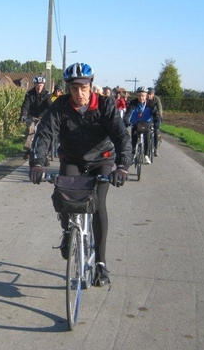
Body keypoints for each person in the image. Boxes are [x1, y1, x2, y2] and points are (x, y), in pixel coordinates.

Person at [28, 63, 132, 287]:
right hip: (72, 158)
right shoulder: (61, 107)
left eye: (83, 88)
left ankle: (101, 265)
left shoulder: (105, 105)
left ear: (91, 86)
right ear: (68, 89)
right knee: (65, 197)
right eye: (74, 89)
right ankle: (68, 232)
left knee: (98, 205)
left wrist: (122, 167)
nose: (79, 93)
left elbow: (121, 135)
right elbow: (44, 134)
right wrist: (37, 163)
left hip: (102, 159)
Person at [124, 86, 161, 164]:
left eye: (143, 96)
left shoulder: (150, 103)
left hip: (146, 123)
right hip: (136, 123)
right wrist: (126, 121)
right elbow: (128, 114)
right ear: (137, 96)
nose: (141, 98)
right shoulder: (133, 103)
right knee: (134, 136)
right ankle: (133, 154)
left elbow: (156, 114)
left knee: (147, 135)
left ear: (146, 96)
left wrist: (156, 121)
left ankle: (146, 155)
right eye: (139, 96)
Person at [20, 75, 51, 159]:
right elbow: (25, 105)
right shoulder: (29, 94)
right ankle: (28, 149)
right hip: (32, 116)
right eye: (37, 85)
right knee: (31, 129)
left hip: (43, 117)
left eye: (41, 85)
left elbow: (50, 106)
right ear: (34, 85)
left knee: (45, 132)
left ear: (43, 85)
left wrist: (51, 116)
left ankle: (46, 151)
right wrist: (23, 114)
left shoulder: (47, 94)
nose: (39, 87)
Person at [147, 87, 163, 156]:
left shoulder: (156, 99)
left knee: (155, 130)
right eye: (148, 94)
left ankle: (156, 149)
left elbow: (160, 108)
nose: (149, 95)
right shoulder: (145, 99)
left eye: (150, 94)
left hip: (156, 116)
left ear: (153, 94)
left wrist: (159, 116)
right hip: (148, 116)